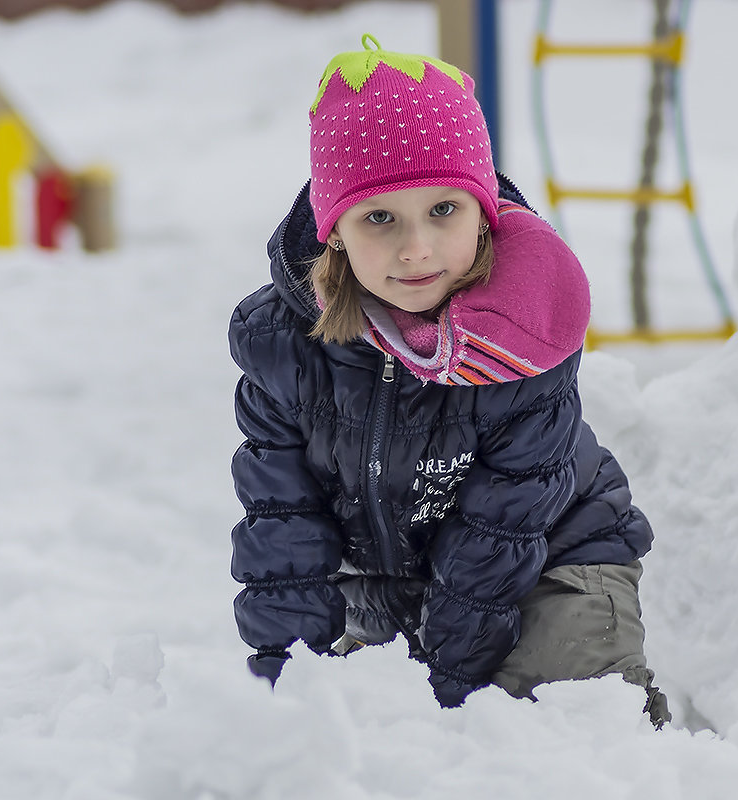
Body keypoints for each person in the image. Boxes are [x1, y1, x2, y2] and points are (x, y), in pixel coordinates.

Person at [228, 34, 669, 727]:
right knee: (364, 731)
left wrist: (452, 699)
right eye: (380, 217)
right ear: (333, 228)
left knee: (558, 716)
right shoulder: (282, 345)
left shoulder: (522, 335)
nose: (416, 249)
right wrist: (285, 697)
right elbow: (284, 532)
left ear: (483, 211)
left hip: (554, 559)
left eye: (444, 210)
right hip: (398, 583)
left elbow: (503, 529)